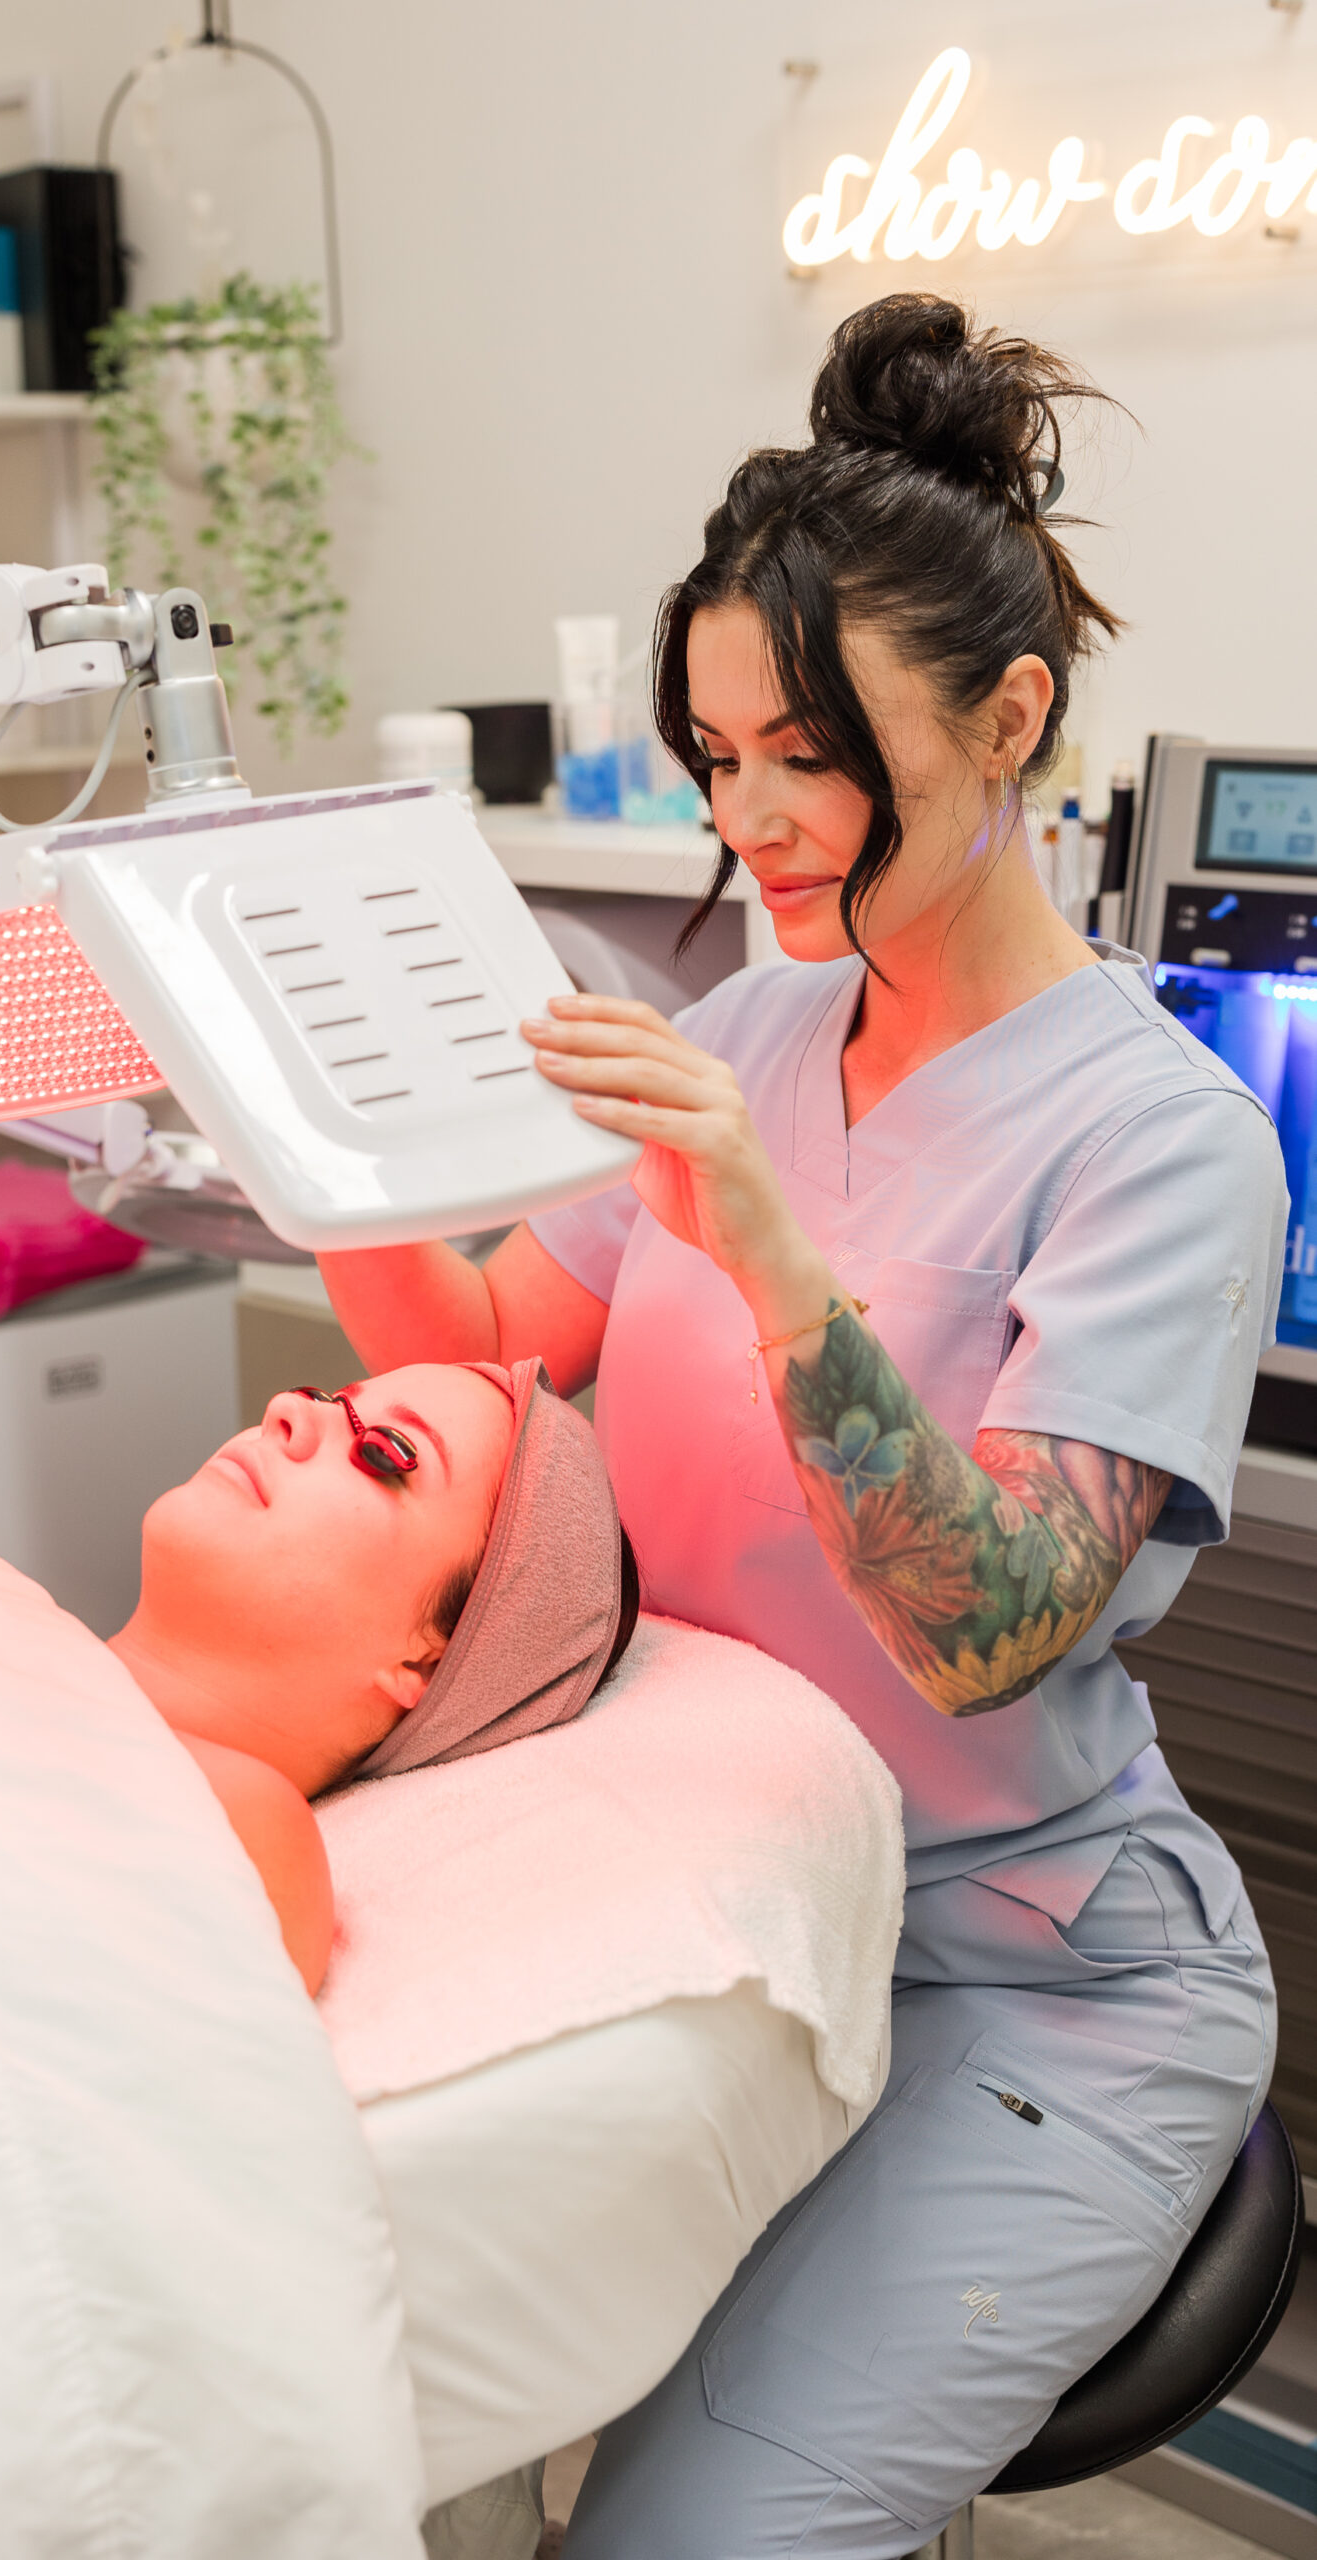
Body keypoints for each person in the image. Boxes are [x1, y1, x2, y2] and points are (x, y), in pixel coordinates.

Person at [315, 295, 1288, 2554]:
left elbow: (986, 1626)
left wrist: (762, 1245)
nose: (742, 816)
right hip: (734, 1909)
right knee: (403, 2423)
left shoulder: (1160, 1142)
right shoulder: (748, 1031)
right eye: (714, 751)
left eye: (807, 756)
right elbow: (474, 1349)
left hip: (1025, 1977)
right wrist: (328, 1141)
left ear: (1007, 718)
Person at [110, 1357, 636, 1994]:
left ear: (425, 1662)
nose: (287, 1408)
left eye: (385, 1449)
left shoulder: (243, 1843)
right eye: (325, 1395)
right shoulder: (11, 1626)